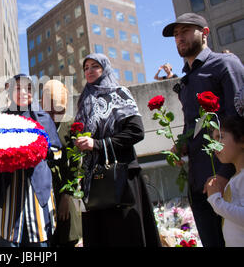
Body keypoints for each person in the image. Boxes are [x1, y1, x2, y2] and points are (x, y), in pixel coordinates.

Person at [163, 12, 244, 247]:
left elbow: (238, 120)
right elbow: (194, 126)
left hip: (228, 181)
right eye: (176, 34)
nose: (179, 37)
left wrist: (225, 173)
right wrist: (182, 145)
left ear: (205, 33)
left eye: (185, 31)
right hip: (199, 182)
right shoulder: (186, 80)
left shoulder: (225, 64)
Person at [74, 53, 161, 247]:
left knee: (124, 235)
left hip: (120, 177)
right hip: (94, 182)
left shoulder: (119, 93)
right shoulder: (84, 100)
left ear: (105, 69)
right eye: (86, 67)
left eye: (94, 66)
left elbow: (136, 132)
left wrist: (97, 144)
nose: (89, 71)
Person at [0, 74, 62, 247]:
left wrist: (36, 151)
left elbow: (58, 152)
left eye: (28, 88)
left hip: (36, 194)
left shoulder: (43, 118)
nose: (23, 92)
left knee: (38, 245)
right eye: (17, 88)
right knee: (9, 243)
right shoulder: (0, 120)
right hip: (8, 194)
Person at [41, 79, 82, 247]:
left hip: (65, 193)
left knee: (68, 238)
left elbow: (76, 164)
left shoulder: (71, 125)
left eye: (57, 109)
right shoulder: (38, 125)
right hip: (43, 194)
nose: (52, 115)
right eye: (48, 109)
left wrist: (67, 195)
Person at [206, 115, 244, 247]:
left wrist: (215, 201)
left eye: (220, 137)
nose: (214, 145)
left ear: (242, 140)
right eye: (213, 139)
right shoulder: (236, 177)